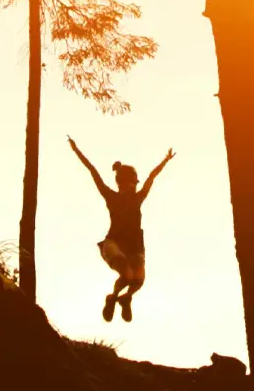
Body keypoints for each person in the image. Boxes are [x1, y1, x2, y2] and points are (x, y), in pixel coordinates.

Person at [68, 136, 174, 322]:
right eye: (132, 183)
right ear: (124, 183)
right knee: (127, 273)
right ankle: (114, 297)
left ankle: (125, 298)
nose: (135, 187)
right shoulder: (112, 197)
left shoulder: (138, 197)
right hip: (115, 243)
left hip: (135, 246)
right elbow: (93, 172)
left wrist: (165, 161)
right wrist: (77, 151)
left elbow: (152, 177)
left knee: (138, 280)